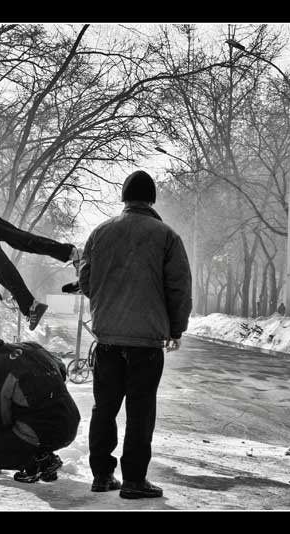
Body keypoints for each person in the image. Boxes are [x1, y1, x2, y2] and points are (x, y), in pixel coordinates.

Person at [77, 170, 192, 499]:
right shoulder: (167, 236)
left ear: (124, 198)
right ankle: (134, 481)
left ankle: (101, 476)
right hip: (147, 344)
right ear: (152, 199)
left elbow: (86, 280)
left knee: (104, 408)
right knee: (140, 412)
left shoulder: (100, 233)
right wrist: (176, 328)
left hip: (108, 341)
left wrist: (106, 303)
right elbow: (178, 287)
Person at [0, 336, 81, 483]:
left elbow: (0, 423)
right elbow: (61, 368)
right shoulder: (29, 346)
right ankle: (42, 455)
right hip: (70, 418)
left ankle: (36, 464)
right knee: (28, 416)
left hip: (45, 432)